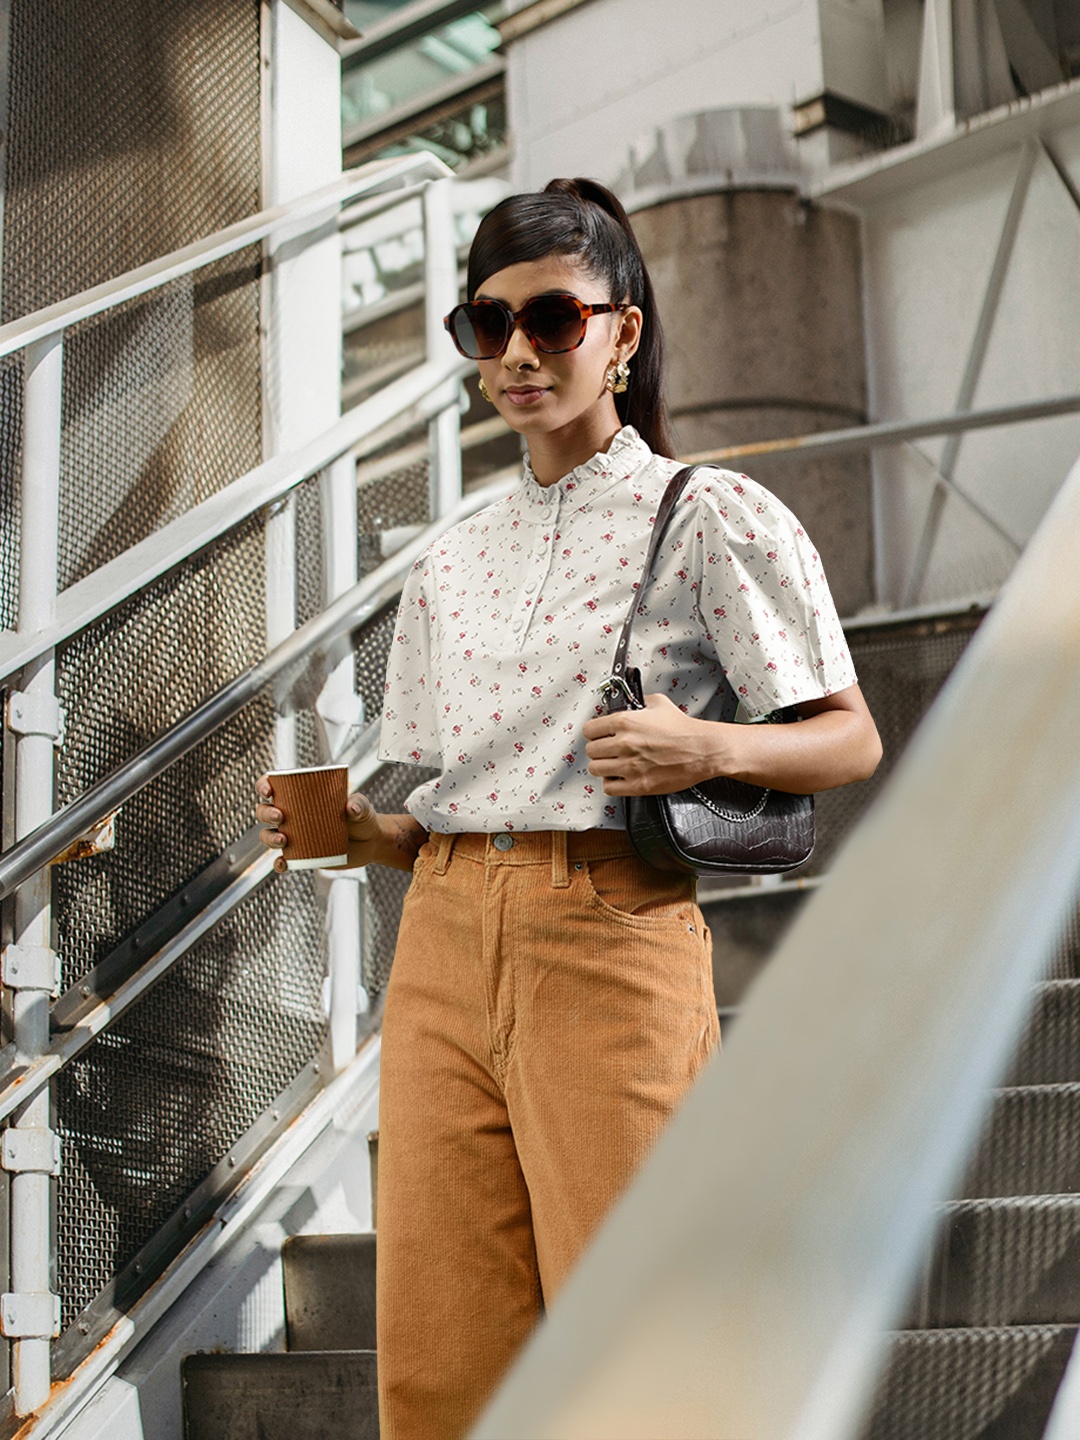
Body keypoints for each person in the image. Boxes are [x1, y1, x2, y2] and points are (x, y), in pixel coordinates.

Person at [256, 177, 882, 1440]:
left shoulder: (706, 514)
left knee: (629, 1325)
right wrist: (354, 834)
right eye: (489, 326)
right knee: (441, 1353)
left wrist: (699, 742)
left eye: (553, 318)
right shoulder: (451, 557)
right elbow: (434, 807)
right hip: (440, 940)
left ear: (624, 332)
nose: (521, 353)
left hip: (610, 928)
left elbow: (850, 738)